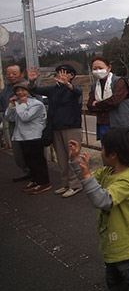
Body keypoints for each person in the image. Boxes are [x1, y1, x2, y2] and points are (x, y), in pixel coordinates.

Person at [68, 128, 129, 291]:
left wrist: (85, 176)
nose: (101, 152)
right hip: (111, 242)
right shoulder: (109, 171)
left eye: (103, 148)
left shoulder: (128, 179)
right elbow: (90, 181)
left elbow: (102, 200)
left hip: (127, 244)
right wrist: (77, 161)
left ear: (113, 154)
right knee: (113, 279)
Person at [28, 64, 83, 198]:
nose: (60, 74)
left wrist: (68, 85)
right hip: (56, 127)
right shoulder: (52, 90)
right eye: (58, 72)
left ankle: (75, 184)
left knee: (72, 156)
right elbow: (35, 90)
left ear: (71, 76)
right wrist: (32, 81)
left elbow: (76, 91)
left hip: (71, 127)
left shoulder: (74, 89)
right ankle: (65, 183)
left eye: (64, 72)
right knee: (61, 158)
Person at [5, 81, 51, 194]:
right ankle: (35, 180)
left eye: (23, 90)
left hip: (34, 136)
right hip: (22, 136)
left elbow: (25, 117)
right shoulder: (18, 103)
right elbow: (9, 118)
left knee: (37, 161)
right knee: (29, 161)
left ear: (29, 92)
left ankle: (44, 182)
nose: (20, 93)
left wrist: (21, 104)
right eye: (18, 90)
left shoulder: (36, 104)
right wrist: (11, 106)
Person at [87, 56, 129, 142]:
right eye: (95, 69)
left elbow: (114, 101)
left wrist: (97, 104)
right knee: (106, 151)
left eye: (100, 68)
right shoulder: (95, 86)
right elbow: (89, 106)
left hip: (119, 125)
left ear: (109, 68)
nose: (98, 71)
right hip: (102, 124)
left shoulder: (119, 82)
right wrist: (104, 104)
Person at [0, 63, 31, 181]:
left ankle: (35, 174)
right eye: (8, 73)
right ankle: (27, 171)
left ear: (21, 74)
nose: (10, 76)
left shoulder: (28, 86)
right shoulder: (5, 90)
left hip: (28, 124)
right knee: (17, 151)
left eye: (14, 73)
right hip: (13, 124)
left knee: (31, 151)